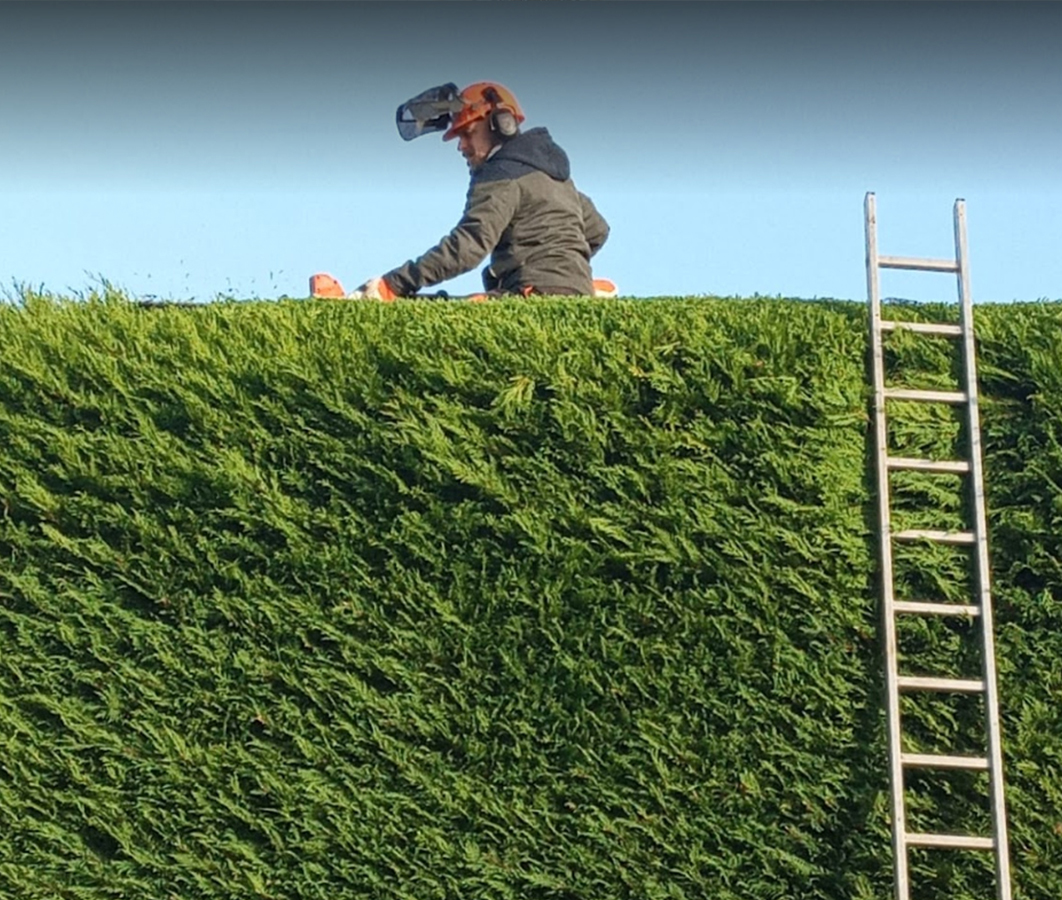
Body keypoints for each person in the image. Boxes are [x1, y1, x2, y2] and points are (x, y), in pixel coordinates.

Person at [352, 81, 610, 300]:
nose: (461, 147)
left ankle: (371, 296)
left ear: (502, 124)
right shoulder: (555, 177)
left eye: (467, 134)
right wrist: (571, 276)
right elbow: (597, 229)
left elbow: (468, 246)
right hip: (573, 290)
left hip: (530, 292)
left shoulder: (501, 174)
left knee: (430, 312)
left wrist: (395, 284)